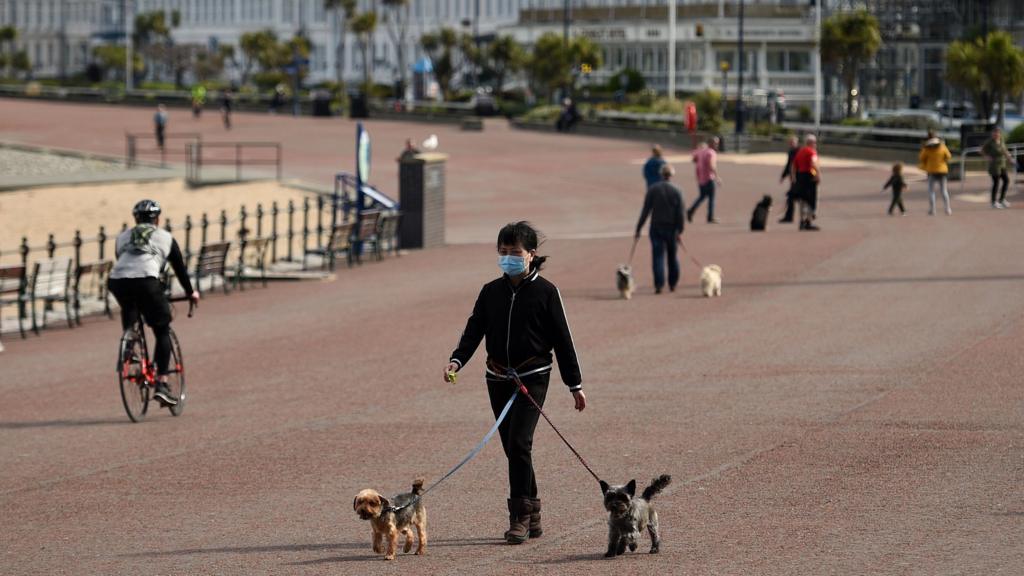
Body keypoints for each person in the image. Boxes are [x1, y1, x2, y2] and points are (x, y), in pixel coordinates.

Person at [443, 221, 585, 545]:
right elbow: (474, 329)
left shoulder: (547, 292)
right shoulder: (490, 291)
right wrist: (457, 360)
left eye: (515, 252)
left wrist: (574, 384)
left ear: (531, 255)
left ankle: (519, 517)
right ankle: (532, 508)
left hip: (532, 378)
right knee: (512, 447)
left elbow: (563, 340)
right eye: (503, 252)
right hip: (497, 377)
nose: (508, 257)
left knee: (520, 443)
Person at [108, 200, 200, 407]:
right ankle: (162, 384)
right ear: (157, 219)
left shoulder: (122, 236)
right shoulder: (166, 237)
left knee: (129, 305)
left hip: (117, 280)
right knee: (162, 330)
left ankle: (129, 348)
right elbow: (179, 268)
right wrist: (190, 292)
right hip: (147, 280)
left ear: (136, 219)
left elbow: (123, 260)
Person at [636, 163, 686, 293]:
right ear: (672, 175)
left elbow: (645, 211)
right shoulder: (677, 191)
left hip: (656, 227)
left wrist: (639, 228)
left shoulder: (653, 189)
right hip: (672, 228)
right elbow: (680, 213)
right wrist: (680, 230)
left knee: (657, 256)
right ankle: (673, 283)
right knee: (672, 256)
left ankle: (659, 284)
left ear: (661, 174)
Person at [918, 130, 953, 215]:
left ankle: (933, 210)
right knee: (944, 190)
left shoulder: (926, 147)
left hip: (931, 170)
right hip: (942, 170)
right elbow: (948, 156)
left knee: (931, 191)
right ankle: (947, 209)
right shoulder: (942, 146)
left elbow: (921, 157)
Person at [687, 137, 720, 224]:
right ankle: (710, 217)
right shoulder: (711, 152)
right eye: (716, 143)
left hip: (701, 178)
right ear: (711, 143)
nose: (717, 145)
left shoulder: (701, 151)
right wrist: (717, 177)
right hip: (709, 178)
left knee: (702, 196)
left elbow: (694, 159)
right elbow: (712, 165)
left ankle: (691, 210)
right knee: (711, 198)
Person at [792, 134, 821, 231]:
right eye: (815, 142)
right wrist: (817, 175)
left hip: (800, 176)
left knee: (802, 200)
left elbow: (793, 166)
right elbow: (813, 164)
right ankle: (808, 221)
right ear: (811, 143)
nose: (816, 144)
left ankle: (801, 221)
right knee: (811, 199)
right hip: (809, 176)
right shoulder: (812, 152)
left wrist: (794, 178)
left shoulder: (800, 152)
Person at [981, 127, 1014, 209]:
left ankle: (1002, 199)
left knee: (1006, 180)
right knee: (996, 183)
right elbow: (982, 150)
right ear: (992, 133)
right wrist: (987, 157)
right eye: (995, 132)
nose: (996, 134)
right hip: (994, 166)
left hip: (1002, 164)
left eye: (998, 132)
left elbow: (1004, 150)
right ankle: (993, 202)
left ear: (1000, 134)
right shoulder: (989, 142)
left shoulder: (1001, 140)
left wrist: (1010, 158)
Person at [778, 135, 800, 223]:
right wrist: (783, 176)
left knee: (795, 197)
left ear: (796, 143)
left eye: (793, 142)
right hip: (793, 178)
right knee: (791, 197)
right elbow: (788, 165)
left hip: (799, 178)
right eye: (790, 142)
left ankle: (791, 217)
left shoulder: (799, 151)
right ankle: (789, 216)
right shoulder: (791, 152)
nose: (791, 144)